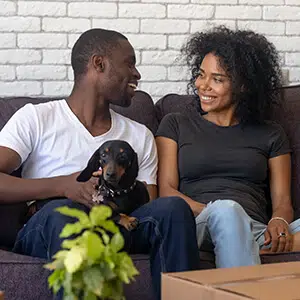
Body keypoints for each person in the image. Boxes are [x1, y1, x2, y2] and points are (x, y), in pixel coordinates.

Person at [0, 28, 201, 299]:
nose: (137, 74)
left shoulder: (139, 134)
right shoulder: (36, 118)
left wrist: (108, 203)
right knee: (65, 212)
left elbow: (149, 203)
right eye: (129, 63)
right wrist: (63, 186)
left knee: (174, 209)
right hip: (50, 227)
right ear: (99, 63)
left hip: (115, 224)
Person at [156, 26, 300, 269]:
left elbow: (283, 201)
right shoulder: (176, 123)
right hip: (201, 221)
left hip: (256, 228)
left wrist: (279, 222)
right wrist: (219, 211)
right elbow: (167, 192)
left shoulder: (271, 133)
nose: (203, 86)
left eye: (217, 79)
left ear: (243, 86)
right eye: (201, 75)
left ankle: (252, 244)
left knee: (239, 220)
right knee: (228, 211)